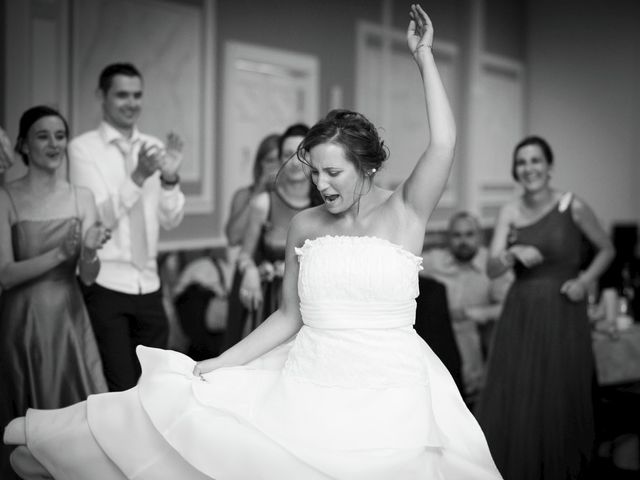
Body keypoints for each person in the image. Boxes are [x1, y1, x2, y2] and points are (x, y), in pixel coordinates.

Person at [4, 6, 502, 479]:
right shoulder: (304, 225)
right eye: (316, 172)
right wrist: (223, 362)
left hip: (392, 390)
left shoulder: (407, 209)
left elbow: (443, 143)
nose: (323, 184)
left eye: (334, 172)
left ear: (367, 166)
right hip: (309, 382)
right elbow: (288, 316)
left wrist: (424, 58)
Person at [475, 135, 615, 480]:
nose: (529, 168)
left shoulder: (572, 206)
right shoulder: (509, 210)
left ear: (549, 167)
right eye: (521, 162)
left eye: (536, 161)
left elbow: (607, 249)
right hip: (520, 314)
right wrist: (511, 254)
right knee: (518, 398)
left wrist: (584, 281)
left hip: (563, 311)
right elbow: (491, 267)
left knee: (559, 396)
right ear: (515, 171)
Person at [0, 106, 110, 479]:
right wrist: (60, 253)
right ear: (24, 145)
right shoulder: (6, 197)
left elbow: (89, 276)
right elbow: (6, 274)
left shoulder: (82, 196)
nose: (54, 144)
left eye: (60, 136)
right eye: (43, 136)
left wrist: (90, 251)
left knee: (75, 422)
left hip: (68, 317)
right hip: (20, 320)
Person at [68, 62, 186, 391]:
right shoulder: (81, 150)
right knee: (120, 388)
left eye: (137, 95)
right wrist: (137, 178)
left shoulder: (153, 147)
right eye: (122, 95)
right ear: (101, 96)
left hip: (149, 283)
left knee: (156, 387)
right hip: (106, 283)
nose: (131, 103)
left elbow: (171, 219)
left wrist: (170, 178)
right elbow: (99, 217)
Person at [223, 124, 321, 349]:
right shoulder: (264, 203)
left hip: (311, 308)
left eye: (302, 154)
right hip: (270, 306)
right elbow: (244, 254)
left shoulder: (325, 206)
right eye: (288, 155)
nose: (295, 162)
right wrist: (249, 270)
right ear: (280, 160)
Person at [421, 211, 512, 403]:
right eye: (457, 235)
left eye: (469, 235)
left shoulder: (492, 266)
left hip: (474, 332)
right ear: (448, 238)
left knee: (467, 334)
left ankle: (471, 392)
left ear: (479, 236)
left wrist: (475, 313)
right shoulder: (433, 261)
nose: (463, 241)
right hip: (435, 334)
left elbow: (510, 306)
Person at [224, 132, 281, 246]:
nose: (276, 166)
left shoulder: (295, 197)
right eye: (270, 160)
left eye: (279, 160)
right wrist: (258, 191)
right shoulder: (244, 195)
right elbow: (233, 238)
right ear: (260, 164)